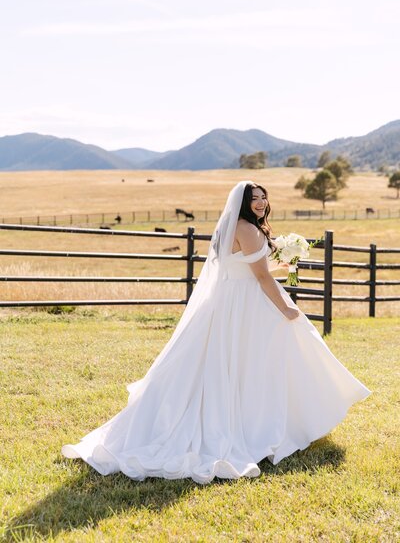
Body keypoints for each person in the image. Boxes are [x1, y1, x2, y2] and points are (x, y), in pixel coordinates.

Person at [62, 181, 371, 484]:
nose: (261, 203)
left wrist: (286, 260)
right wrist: (286, 308)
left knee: (240, 363)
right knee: (272, 355)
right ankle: (271, 422)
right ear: (242, 203)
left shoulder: (234, 227)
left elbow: (250, 268)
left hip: (232, 300)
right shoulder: (248, 229)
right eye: (254, 198)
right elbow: (261, 278)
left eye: (263, 197)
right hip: (248, 303)